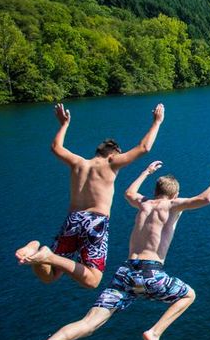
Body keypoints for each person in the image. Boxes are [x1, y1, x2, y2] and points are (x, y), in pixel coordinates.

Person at [1, 158, 210, 340]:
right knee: (189, 295)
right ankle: (155, 332)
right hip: (150, 272)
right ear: (175, 193)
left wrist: (146, 172)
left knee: (88, 324)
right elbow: (206, 198)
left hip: (125, 273)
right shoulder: (172, 206)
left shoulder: (143, 203)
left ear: (154, 191)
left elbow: (128, 192)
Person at [15, 102, 165, 289]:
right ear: (113, 154)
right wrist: (157, 122)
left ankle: (36, 249)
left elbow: (56, 147)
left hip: (72, 219)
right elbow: (144, 148)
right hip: (95, 221)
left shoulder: (78, 163)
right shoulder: (111, 163)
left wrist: (64, 125)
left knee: (50, 276)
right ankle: (49, 256)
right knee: (93, 280)